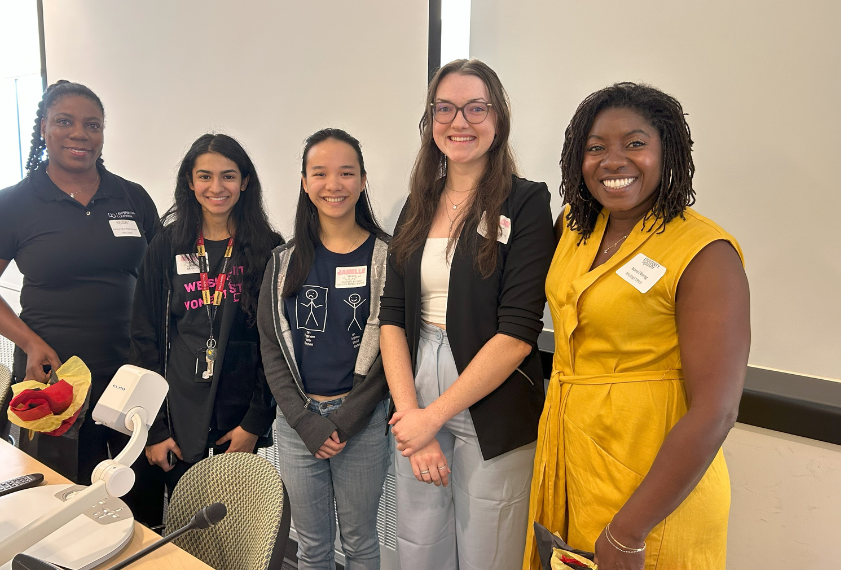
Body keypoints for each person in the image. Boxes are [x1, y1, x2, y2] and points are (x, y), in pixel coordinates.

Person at [523, 83, 750, 570]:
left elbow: (717, 410)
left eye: (635, 143)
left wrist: (629, 531)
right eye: (596, 147)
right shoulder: (574, 228)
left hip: (652, 487)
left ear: (668, 152)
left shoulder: (705, 253)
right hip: (572, 461)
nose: (613, 160)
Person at [379, 59, 555, 570]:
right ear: (430, 121)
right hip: (416, 382)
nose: (460, 122)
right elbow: (392, 315)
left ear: (498, 118)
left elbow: (519, 331)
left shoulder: (524, 202)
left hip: (492, 390)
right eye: (446, 109)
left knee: (489, 551)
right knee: (419, 547)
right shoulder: (419, 202)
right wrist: (414, 416)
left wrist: (432, 417)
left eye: (476, 108)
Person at [0, 80, 159, 483]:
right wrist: (30, 343)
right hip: (55, 374)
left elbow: (163, 278)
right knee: (62, 489)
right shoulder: (14, 204)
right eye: (64, 121)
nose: (79, 134)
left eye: (93, 125)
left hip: (130, 370)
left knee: (132, 487)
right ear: (44, 128)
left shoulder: (132, 197)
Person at [126, 133, 281, 526]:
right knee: (183, 526)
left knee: (230, 527)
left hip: (237, 415)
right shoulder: (166, 246)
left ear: (245, 182)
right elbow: (144, 337)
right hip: (175, 414)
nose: (217, 187)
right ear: (190, 183)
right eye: (205, 176)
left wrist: (254, 424)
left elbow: (275, 346)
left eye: (228, 176)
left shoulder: (267, 249)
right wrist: (153, 429)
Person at [259, 128, 391, 570]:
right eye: (320, 173)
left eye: (346, 173)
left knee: (359, 542)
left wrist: (345, 421)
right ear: (304, 182)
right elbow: (272, 350)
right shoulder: (282, 261)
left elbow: (392, 350)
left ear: (363, 181)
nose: (333, 185)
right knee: (312, 547)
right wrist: (306, 423)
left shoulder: (388, 257)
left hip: (364, 424)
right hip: (298, 427)